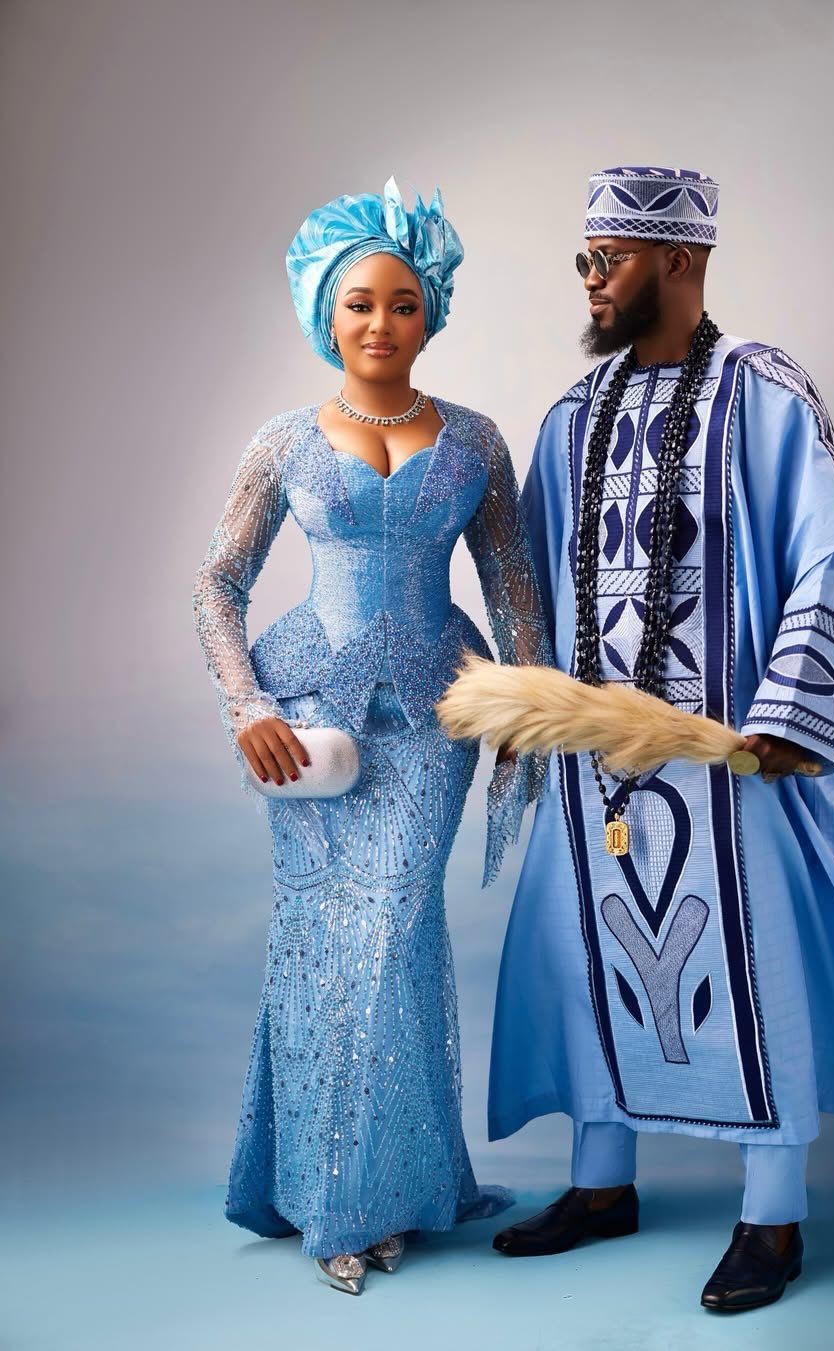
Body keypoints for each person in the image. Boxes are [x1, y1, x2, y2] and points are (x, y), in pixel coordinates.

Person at [487, 166, 834, 1312]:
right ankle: (600, 1181)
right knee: (593, 956)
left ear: (680, 261)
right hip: (603, 762)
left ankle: (772, 1217)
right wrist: (526, 708)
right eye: (584, 255)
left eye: (611, 255)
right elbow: (530, 578)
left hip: (734, 752)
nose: (590, 276)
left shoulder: (767, 394)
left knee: (756, 967)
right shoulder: (571, 418)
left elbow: (829, 559)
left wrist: (785, 714)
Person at [193, 179, 549, 1295]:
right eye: (358, 303)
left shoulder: (481, 444)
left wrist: (524, 712)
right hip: (306, 723)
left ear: (432, 311)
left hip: (433, 724)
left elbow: (516, 594)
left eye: (403, 302)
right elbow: (217, 583)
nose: (380, 323)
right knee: (317, 948)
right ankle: (323, 1189)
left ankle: (371, 1194)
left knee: (395, 931)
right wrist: (247, 706)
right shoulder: (283, 442)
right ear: (324, 314)